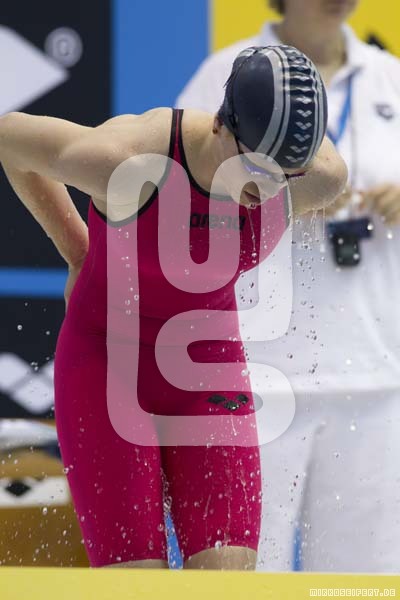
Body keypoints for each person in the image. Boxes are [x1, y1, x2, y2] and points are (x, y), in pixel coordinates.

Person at [0, 45, 346, 571]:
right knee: (136, 584)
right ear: (220, 125)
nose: (264, 190)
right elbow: (11, 139)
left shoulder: (318, 178)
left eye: (284, 176)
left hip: (208, 371)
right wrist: (77, 252)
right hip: (106, 368)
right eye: (254, 168)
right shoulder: (129, 160)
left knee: (226, 586)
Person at [177, 0, 400, 573]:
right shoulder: (225, 71)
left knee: (363, 582)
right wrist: (278, 200)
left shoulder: (390, 78)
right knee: (248, 574)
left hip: (374, 376)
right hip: (257, 376)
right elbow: (179, 192)